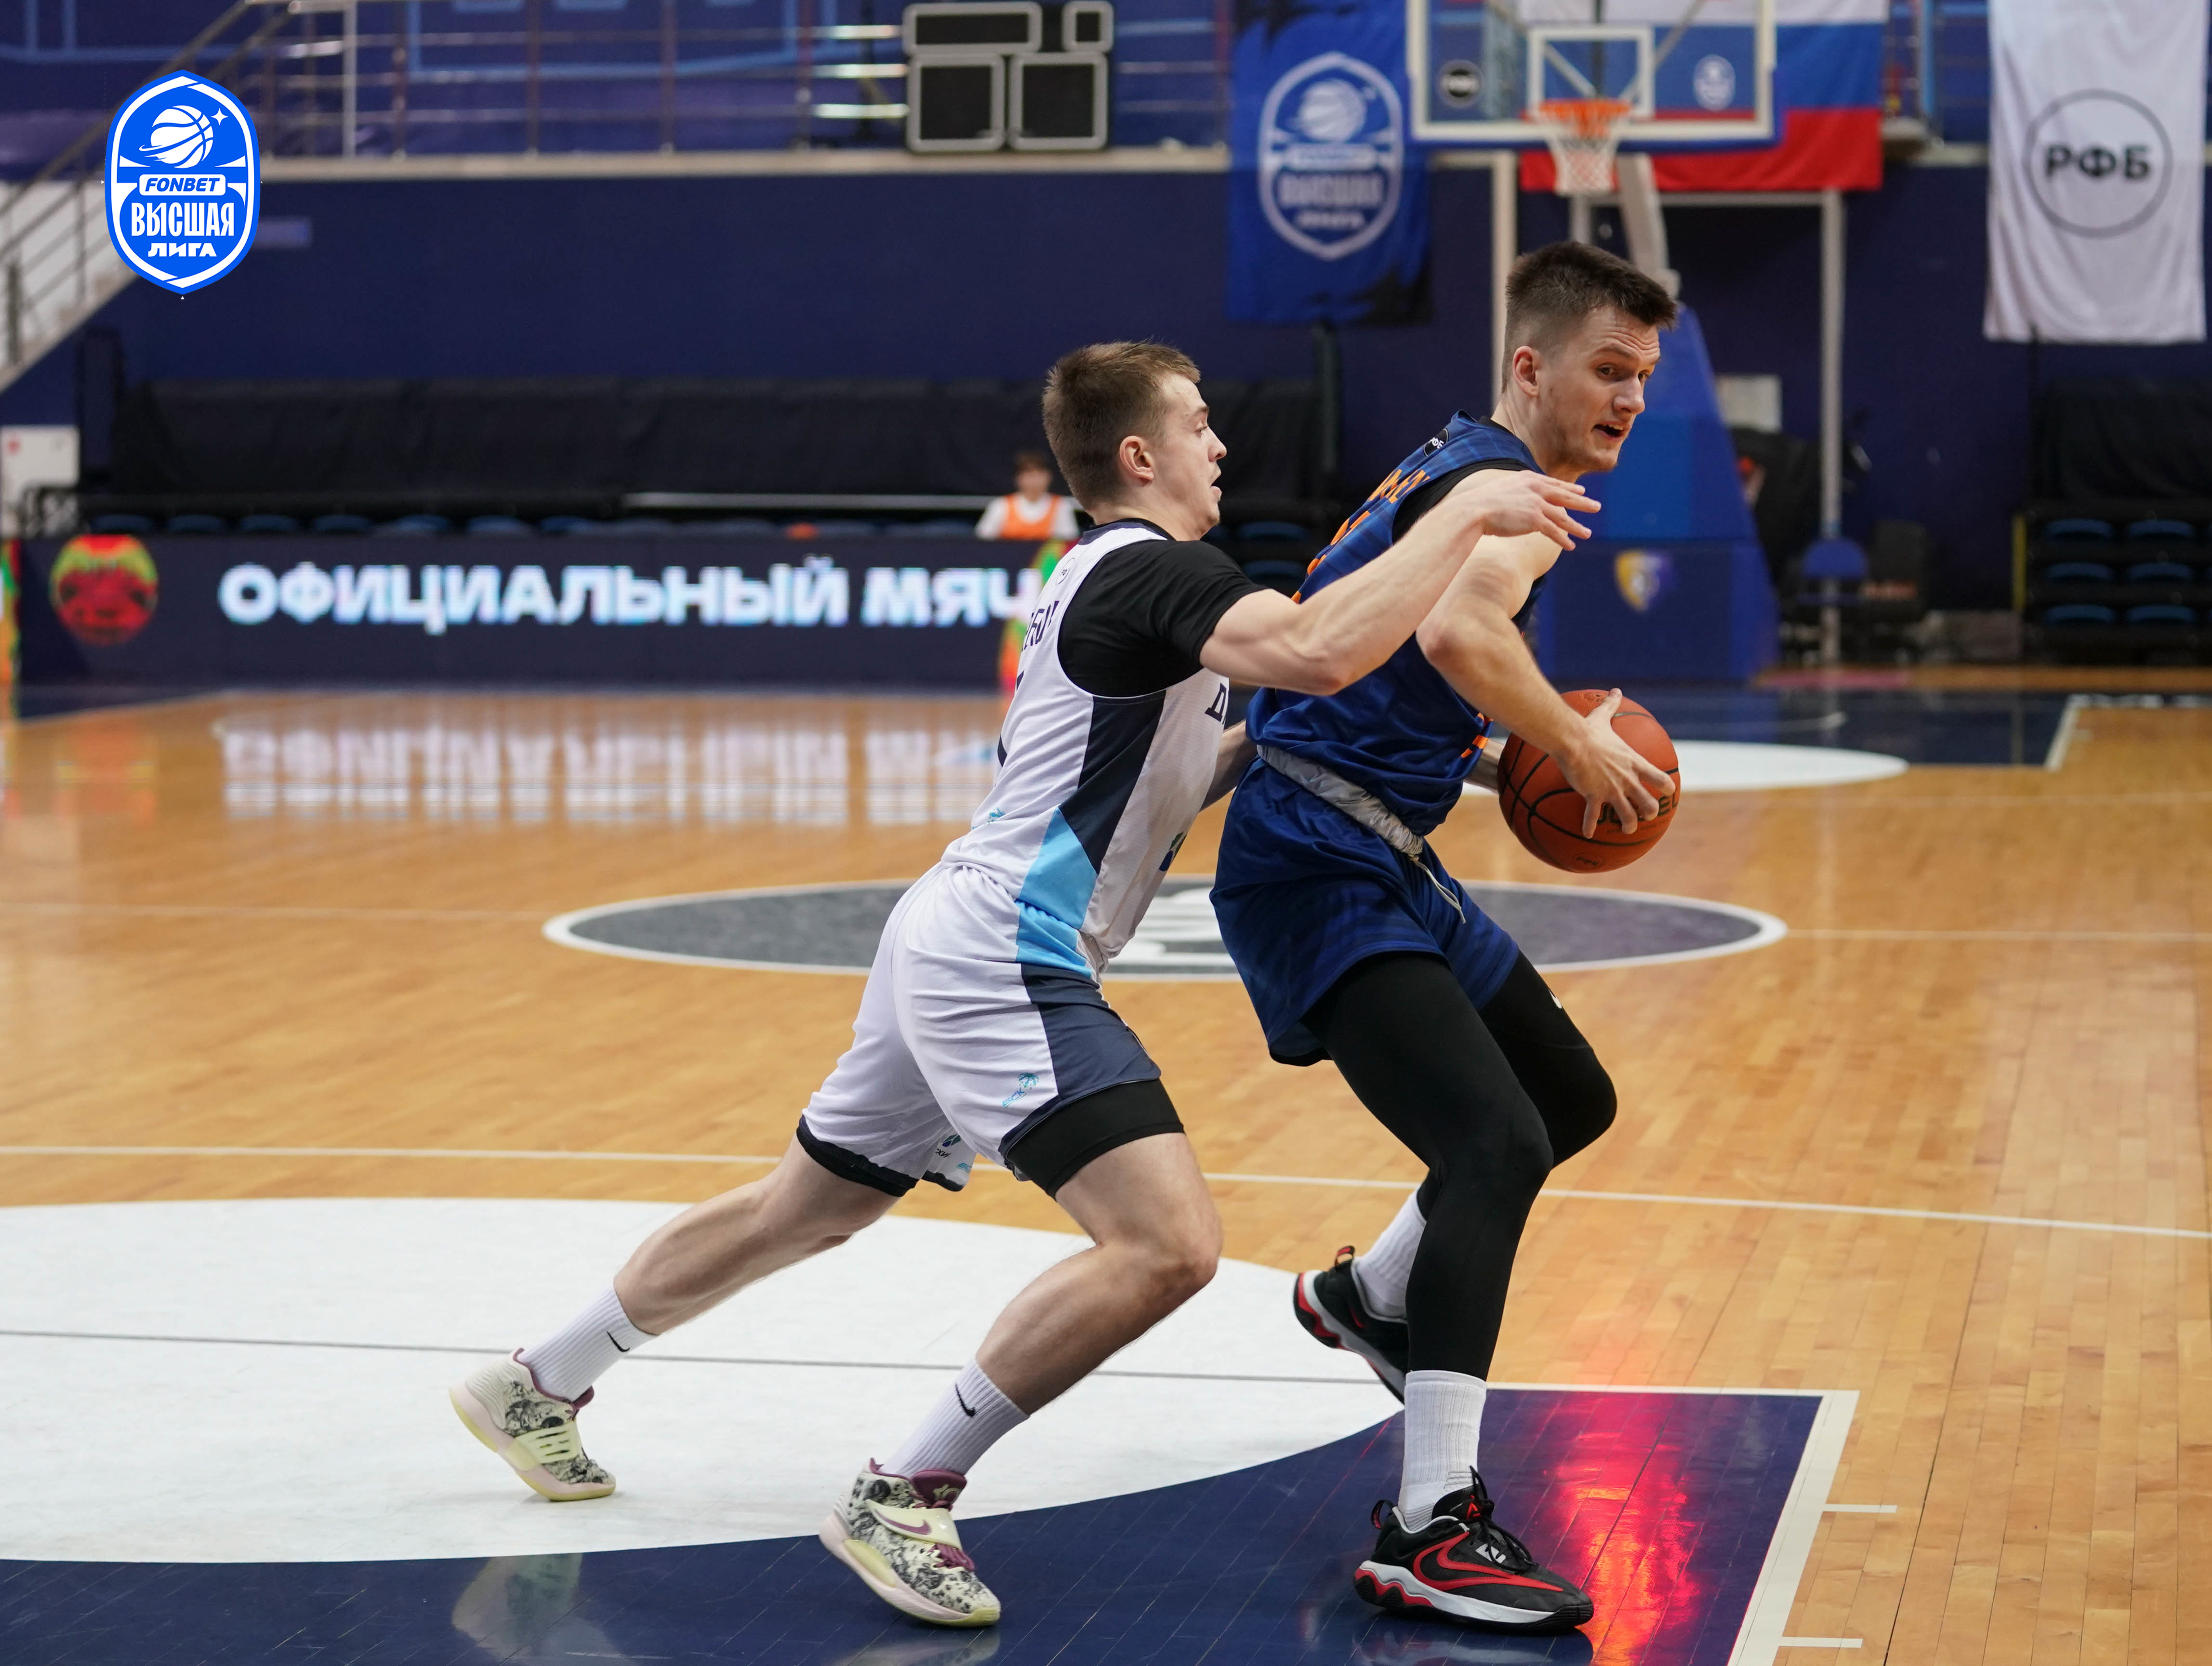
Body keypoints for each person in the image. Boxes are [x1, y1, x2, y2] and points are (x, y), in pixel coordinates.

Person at [449, 341, 1597, 1631]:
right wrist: (1463, 512)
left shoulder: (1120, 587)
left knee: (802, 1208)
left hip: (951, 927)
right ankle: (904, 1490)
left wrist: (1493, 761)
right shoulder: (1153, 568)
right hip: (1006, 944)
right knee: (1167, 1245)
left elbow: (1253, 735)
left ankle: (537, 1381)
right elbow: (1321, 650)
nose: (1221, 445)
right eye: (1199, 424)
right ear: (1139, 456)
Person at [1207, 243, 1682, 1636]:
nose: (1630, 398)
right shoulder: (1514, 495)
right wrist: (1568, 745)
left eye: (1645, 377)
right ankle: (1433, 1520)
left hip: (1375, 838)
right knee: (1494, 1142)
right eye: (1608, 369)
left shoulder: (1450, 465)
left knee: (1567, 1099)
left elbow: (1407, 667)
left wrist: (1489, 757)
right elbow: (1468, 638)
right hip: (1316, 855)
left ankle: (1372, 1297)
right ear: (1530, 365)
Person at [976, 450, 1081, 542]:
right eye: (1029, 474)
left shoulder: (1061, 506)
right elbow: (983, 542)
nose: (1035, 480)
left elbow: (1068, 543)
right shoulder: (1001, 506)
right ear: (1019, 478)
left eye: (1039, 474)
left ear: (1049, 477)